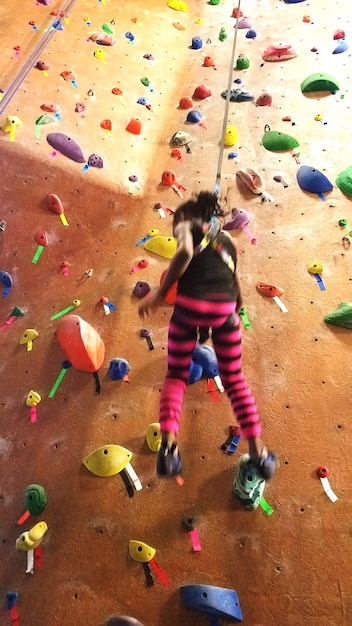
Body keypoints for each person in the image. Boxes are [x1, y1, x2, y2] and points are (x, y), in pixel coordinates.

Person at [138, 191, 277, 492]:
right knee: (235, 379)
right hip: (225, 311)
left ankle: (169, 448)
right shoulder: (228, 242)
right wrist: (227, 318)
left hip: (189, 308)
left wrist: (160, 295)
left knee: (176, 376)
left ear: (184, 219)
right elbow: (236, 286)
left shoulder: (186, 226)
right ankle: (258, 451)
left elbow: (186, 253)